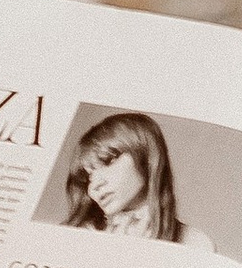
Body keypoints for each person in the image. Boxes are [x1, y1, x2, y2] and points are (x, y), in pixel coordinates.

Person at [59, 107, 209, 250]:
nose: (94, 187)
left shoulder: (195, 243)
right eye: (88, 177)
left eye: (108, 161)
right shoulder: (74, 236)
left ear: (146, 156)